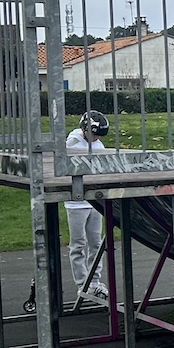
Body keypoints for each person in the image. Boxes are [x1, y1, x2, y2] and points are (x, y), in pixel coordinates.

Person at [64, 110, 109, 302]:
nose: (96, 138)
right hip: (76, 204)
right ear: (84, 129)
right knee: (78, 244)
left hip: (94, 200)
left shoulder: (99, 145)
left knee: (95, 243)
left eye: (98, 135)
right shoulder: (73, 142)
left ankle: (95, 282)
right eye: (93, 134)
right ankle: (82, 284)